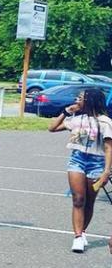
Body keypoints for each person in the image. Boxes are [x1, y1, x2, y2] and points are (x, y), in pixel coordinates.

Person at [48, 86, 112, 253]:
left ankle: (83, 232)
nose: (77, 100)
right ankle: (77, 237)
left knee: (89, 201)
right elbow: (52, 128)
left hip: (97, 163)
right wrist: (66, 111)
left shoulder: (105, 122)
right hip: (77, 160)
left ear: (90, 100)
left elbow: (108, 148)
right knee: (78, 199)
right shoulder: (77, 119)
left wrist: (106, 171)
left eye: (80, 98)